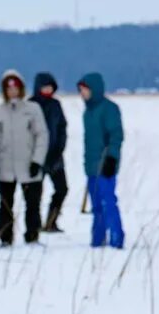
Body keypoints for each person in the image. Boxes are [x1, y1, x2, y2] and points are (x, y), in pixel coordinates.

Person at [0, 70, 48, 245]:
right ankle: (5, 238)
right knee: (5, 206)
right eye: (9, 88)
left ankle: (32, 236)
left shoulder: (32, 110)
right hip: (6, 168)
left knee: (33, 205)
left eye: (16, 87)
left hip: (29, 165)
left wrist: (37, 161)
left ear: (21, 89)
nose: (12, 91)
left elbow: (42, 135)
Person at [78, 72, 125, 248]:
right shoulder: (87, 112)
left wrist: (111, 158)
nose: (82, 93)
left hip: (106, 165)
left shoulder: (109, 108)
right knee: (96, 205)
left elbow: (116, 135)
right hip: (91, 166)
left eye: (85, 90)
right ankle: (97, 240)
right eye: (80, 90)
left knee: (108, 202)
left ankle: (116, 238)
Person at [30, 72, 68, 232]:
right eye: (45, 87)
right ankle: (35, 225)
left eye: (50, 87)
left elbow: (62, 128)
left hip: (55, 156)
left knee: (62, 189)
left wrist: (59, 149)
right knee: (35, 193)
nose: (48, 90)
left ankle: (51, 221)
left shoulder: (56, 105)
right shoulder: (30, 105)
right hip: (36, 157)